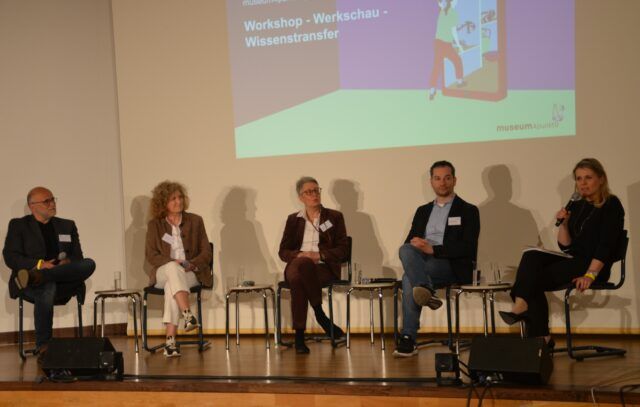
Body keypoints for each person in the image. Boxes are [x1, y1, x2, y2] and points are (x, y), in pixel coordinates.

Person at [500, 158, 625, 348]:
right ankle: (523, 306)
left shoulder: (612, 205)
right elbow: (566, 246)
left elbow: (605, 246)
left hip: (593, 265)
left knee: (532, 279)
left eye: (588, 178)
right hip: (573, 259)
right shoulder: (577, 204)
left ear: (601, 179)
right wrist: (564, 223)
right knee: (531, 256)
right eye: (578, 178)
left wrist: (590, 275)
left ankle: (538, 331)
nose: (582, 183)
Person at [395, 161, 480, 357]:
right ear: (431, 182)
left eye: (447, 178)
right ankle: (424, 289)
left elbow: (468, 247)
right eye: (437, 178)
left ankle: (408, 338)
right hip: (422, 263)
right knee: (405, 250)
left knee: (409, 278)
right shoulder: (422, 211)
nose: (442, 183)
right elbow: (411, 241)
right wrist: (418, 244)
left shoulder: (468, 210)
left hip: (450, 265)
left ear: (455, 180)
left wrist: (434, 249)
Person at [3, 187, 96, 355]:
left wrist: (67, 262)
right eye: (47, 201)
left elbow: (78, 258)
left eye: (53, 199)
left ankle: (39, 277)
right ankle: (43, 345)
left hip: (60, 281)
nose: (52, 204)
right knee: (47, 287)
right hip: (31, 286)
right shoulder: (19, 225)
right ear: (32, 206)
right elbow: (10, 257)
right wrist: (40, 264)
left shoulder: (67, 225)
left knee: (89, 264)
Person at [278, 176, 349, 354]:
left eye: (316, 190)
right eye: (309, 192)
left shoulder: (334, 217)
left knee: (298, 279)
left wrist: (319, 255)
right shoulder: (293, 219)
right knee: (301, 266)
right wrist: (300, 255)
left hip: (323, 268)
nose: (314, 194)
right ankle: (320, 314)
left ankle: (300, 335)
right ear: (301, 197)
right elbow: (283, 251)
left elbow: (343, 250)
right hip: (297, 264)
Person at [145, 181, 212, 357]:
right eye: (173, 198)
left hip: (190, 272)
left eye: (180, 197)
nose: (178, 202)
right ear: (163, 203)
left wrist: (192, 263)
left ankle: (170, 342)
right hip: (162, 271)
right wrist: (174, 261)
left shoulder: (195, 221)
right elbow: (151, 255)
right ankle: (187, 314)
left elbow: (207, 252)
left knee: (171, 287)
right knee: (172, 268)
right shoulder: (155, 225)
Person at [428, 0, 466, 100]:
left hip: (438, 43)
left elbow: (446, 29)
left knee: (436, 66)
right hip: (445, 45)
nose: (457, 1)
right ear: (452, 2)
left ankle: (432, 90)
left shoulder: (441, 11)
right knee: (457, 60)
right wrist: (459, 45)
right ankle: (459, 82)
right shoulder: (453, 13)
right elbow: (453, 31)